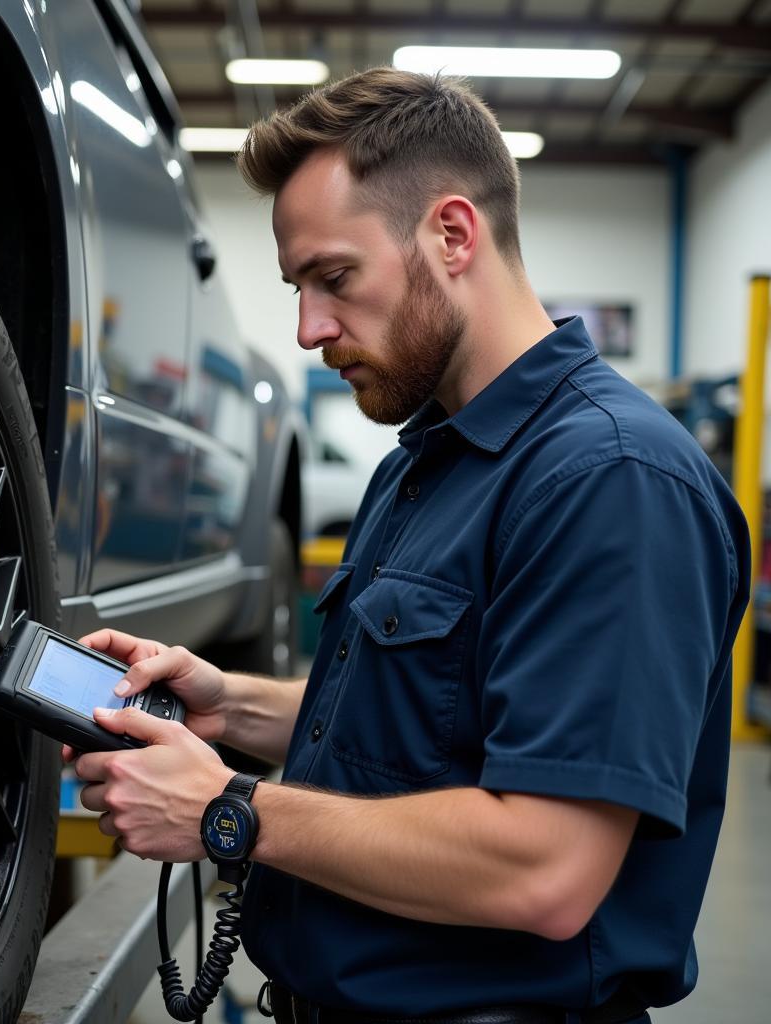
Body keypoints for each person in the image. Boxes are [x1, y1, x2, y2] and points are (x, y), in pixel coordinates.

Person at [65, 69, 749, 1024]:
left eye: (334, 278)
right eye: (298, 286)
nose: (308, 329)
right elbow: (443, 707)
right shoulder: (425, 461)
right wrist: (234, 705)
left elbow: (544, 869)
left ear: (453, 234)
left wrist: (231, 811)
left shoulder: (613, 479)